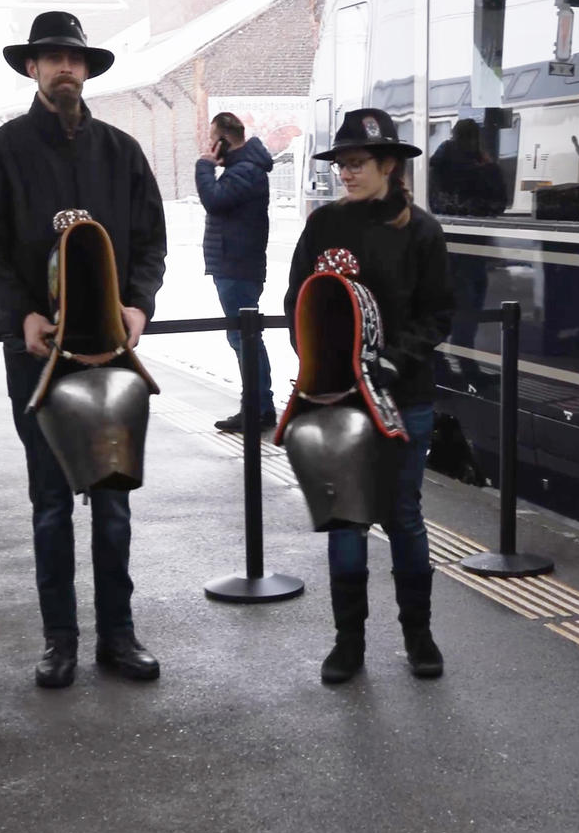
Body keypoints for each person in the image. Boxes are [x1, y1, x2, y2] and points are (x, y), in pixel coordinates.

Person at [0, 10, 164, 688]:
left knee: (112, 502)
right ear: (31, 67)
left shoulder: (121, 152)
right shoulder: (1, 152)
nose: (64, 69)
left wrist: (139, 303)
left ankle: (119, 635)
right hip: (37, 355)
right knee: (50, 502)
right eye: (51, 58)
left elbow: (151, 242)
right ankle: (60, 641)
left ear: (87, 69)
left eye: (73, 59)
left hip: (112, 354)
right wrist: (19, 312)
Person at [285, 108, 454, 683]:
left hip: (405, 395)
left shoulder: (421, 230)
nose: (347, 174)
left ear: (388, 165)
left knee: (403, 516)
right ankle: (348, 643)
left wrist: (391, 359)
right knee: (345, 520)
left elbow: (438, 314)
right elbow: (296, 301)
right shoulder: (322, 225)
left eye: (358, 164)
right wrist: (319, 360)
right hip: (336, 397)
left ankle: (419, 636)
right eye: (342, 164)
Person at [194, 110, 276, 432]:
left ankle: (258, 408)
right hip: (236, 264)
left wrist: (204, 165)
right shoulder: (244, 168)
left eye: (213, 140)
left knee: (246, 338)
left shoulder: (246, 171)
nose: (210, 147)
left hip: (238, 266)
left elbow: (214, 200)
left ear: (224, 141)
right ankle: (258, 405)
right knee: (244, 336)